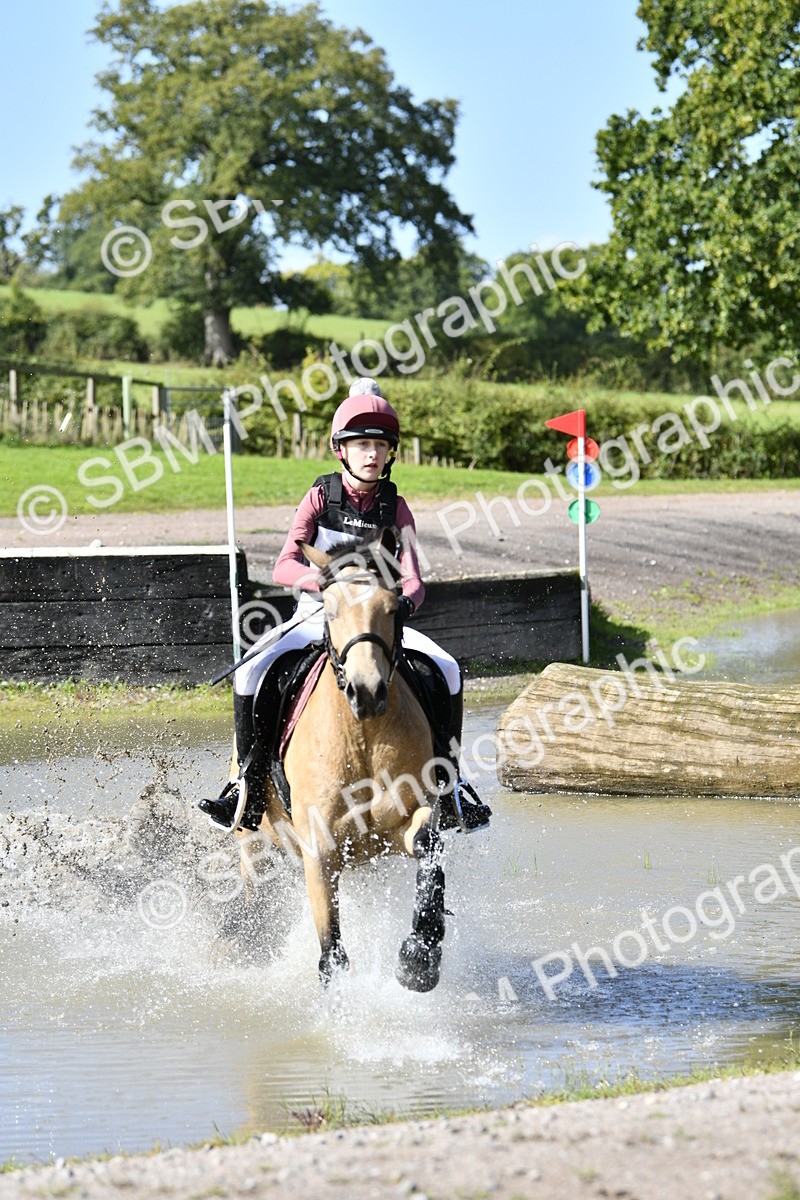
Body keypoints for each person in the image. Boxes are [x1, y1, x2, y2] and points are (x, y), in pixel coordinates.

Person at [199, 377, 469, 832]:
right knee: (249, 670)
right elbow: (284, 563)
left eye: (380, 446)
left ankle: (452, 788)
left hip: (379, 624)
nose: (371, 454)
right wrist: (320, 582)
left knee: (447, 668)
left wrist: (402, 605)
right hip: (317, 615)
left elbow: (414, 580)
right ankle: (244, 786)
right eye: (361, 444)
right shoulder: (320, 497)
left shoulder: (396, 509)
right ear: (341, 450)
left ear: (390, 453)